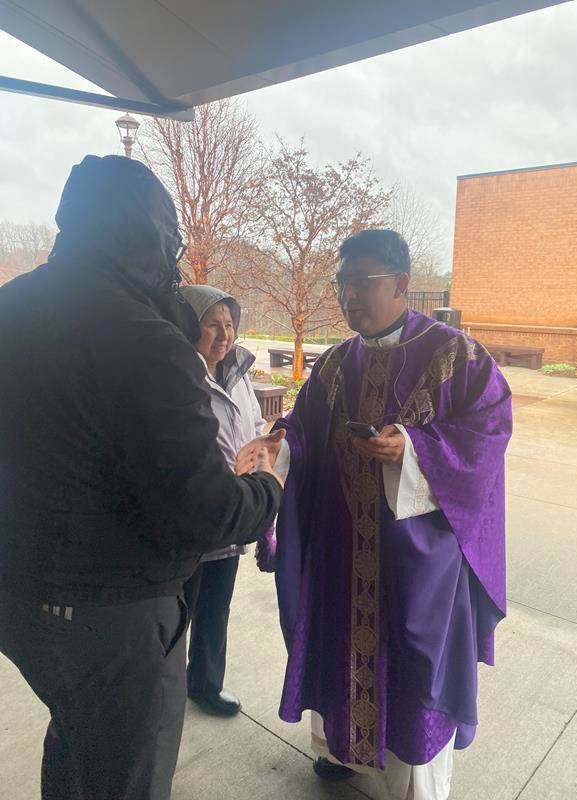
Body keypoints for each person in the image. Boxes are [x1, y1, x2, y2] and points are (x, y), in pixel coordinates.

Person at [0, 155, 282, 800]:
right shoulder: (144, 339)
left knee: (74, 733)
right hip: (109, 610)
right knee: (126, 771)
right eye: (169, 239)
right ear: (148, 235)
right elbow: (204, 511)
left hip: (16, 592)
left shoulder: (10, 306)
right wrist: (265, 489)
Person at [239, 228, 512, 800]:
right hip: (344, 552)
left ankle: (415, 786)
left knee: (411, 669)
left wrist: (412, 450)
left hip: (417, 562)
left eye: (362, 282)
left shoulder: (454, 355)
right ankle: (343, 754)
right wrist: (276, 446)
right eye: (342, 284)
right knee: (339, 650)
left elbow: (488, 430)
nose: (349, 296)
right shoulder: (337, 362)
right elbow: (305, 429)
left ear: (403, 284)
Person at [180, 284, 267, 716]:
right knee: (180, 612)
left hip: (235, 508)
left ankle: (206, 684)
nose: (224, 335)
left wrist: (266, 440)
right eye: (211, 324)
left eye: (229, 324)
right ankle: (165, 690)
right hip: (195, 514)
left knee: (217, 605)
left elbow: (251, 421)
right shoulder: (179, 373)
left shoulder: (238, 371)